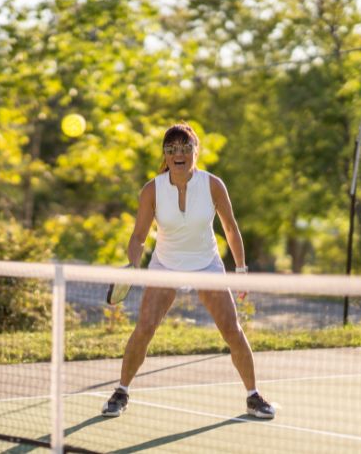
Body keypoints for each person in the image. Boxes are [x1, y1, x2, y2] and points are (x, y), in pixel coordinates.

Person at [100, 123, 274, 419]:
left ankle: (253, 396)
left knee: (232, 330)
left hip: (206, 265)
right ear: (165, 156)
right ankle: (121, 391)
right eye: (172, 149)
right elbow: (139, 236)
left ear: (196, 151)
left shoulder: (213, 184)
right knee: (144, 329)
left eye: (185, 148)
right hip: (165, 266)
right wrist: (134, 265)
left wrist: (241, 269)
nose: (178, 154)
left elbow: (230, 228)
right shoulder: (152, 189)